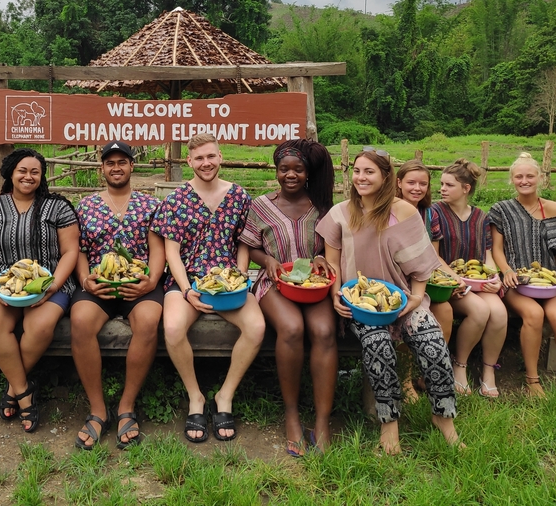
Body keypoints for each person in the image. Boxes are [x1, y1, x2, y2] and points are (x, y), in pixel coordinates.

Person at [316, 147, 459, 454]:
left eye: (369, 172)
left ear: (385, 177)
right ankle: (388, 423)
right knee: (377, 344)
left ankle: (443, 417)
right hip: (361, 304)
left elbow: (421, 263)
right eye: (357, 171)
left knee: (432, 339)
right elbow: (332, 264)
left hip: (402, 298)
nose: (361, 178)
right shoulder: (339, 214)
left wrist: (418, 297)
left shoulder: (404, 211)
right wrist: (336, 295)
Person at [152, 132, 265, 443]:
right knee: (173, 328)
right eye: (199, 158)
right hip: (188, 280)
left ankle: (225, 396)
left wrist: (239, 279)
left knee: (256, 327)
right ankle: (196, 397)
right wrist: (187, 289)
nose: (206, 163)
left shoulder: (239, 196)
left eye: (211, 156)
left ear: (220, 156)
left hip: (229, 283)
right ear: (189, 161)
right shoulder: (176, 199)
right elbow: (171, 251)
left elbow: (243, 242)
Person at [0, 148, 80, 433]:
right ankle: (23, 391)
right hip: (2, 283)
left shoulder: (57, 207)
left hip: (50, 282)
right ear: (10, 173)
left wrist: (52, 285)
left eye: (34, 172)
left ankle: (11, 388)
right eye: (22, 171)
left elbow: (70, 251)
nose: (28, 176)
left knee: (40, 326)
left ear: (42, 177)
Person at [239, 139, 336, 455]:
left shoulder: (321, 206)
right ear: (276, 170)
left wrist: (322, 259)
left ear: (308, 172)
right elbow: (251, 245)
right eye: (284, 169)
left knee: (324, 331)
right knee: (292, 329)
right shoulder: (261, 205)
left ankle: (322, 419)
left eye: (298, 169)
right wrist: (266, 260)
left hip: (314, 284)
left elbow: (330, 248)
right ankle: (292, 416)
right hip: (275, 283)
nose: (290, 175)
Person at [71, 141, 165, 449]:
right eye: (109, 162)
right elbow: (81, 250)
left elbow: (156, 249)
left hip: (137, 283)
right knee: (81, 321)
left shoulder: (149, 205)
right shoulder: (87, 206)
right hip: (100, 283)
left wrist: (150, 282)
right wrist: (85, 279)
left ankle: (126, 405)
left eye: (122, 162)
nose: (116, 167)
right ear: (102, 169)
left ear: (131, 166)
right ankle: (98, 409)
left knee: (149, 321)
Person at [489, 152, 556, 404]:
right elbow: (496, 249)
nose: (524, 180)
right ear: (511, 180)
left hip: (549, 282)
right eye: (519, 177)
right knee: (534, 315)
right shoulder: (501, 210)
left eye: (530, 176)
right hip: (516, 282)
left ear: (540, 178)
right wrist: (507, 270)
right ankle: (532, 380)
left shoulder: (555, 209)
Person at [431, 159, 508, 398]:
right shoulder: (434, 212)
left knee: (500, 313)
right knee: (480, 311)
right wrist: (457, 279)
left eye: (449, 185)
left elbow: (487, 254)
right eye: (441, 184)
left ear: (466, 188)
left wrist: (493, 276)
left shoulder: (480, 217)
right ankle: (460, 366)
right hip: (448, 283)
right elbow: (435, 256)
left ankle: (488, 371)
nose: (442, 189)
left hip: (476, 281)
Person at [396, 160, 453, 342]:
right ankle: (408, 367)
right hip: (395, 278)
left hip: (422, 279)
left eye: (423, 184)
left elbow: (433, 256)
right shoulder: (388, 211)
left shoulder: (429, 214)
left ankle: (431, 362)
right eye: (411, 183)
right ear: (399, 183)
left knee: (445, 310)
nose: (417, 188)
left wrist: (453, 280)